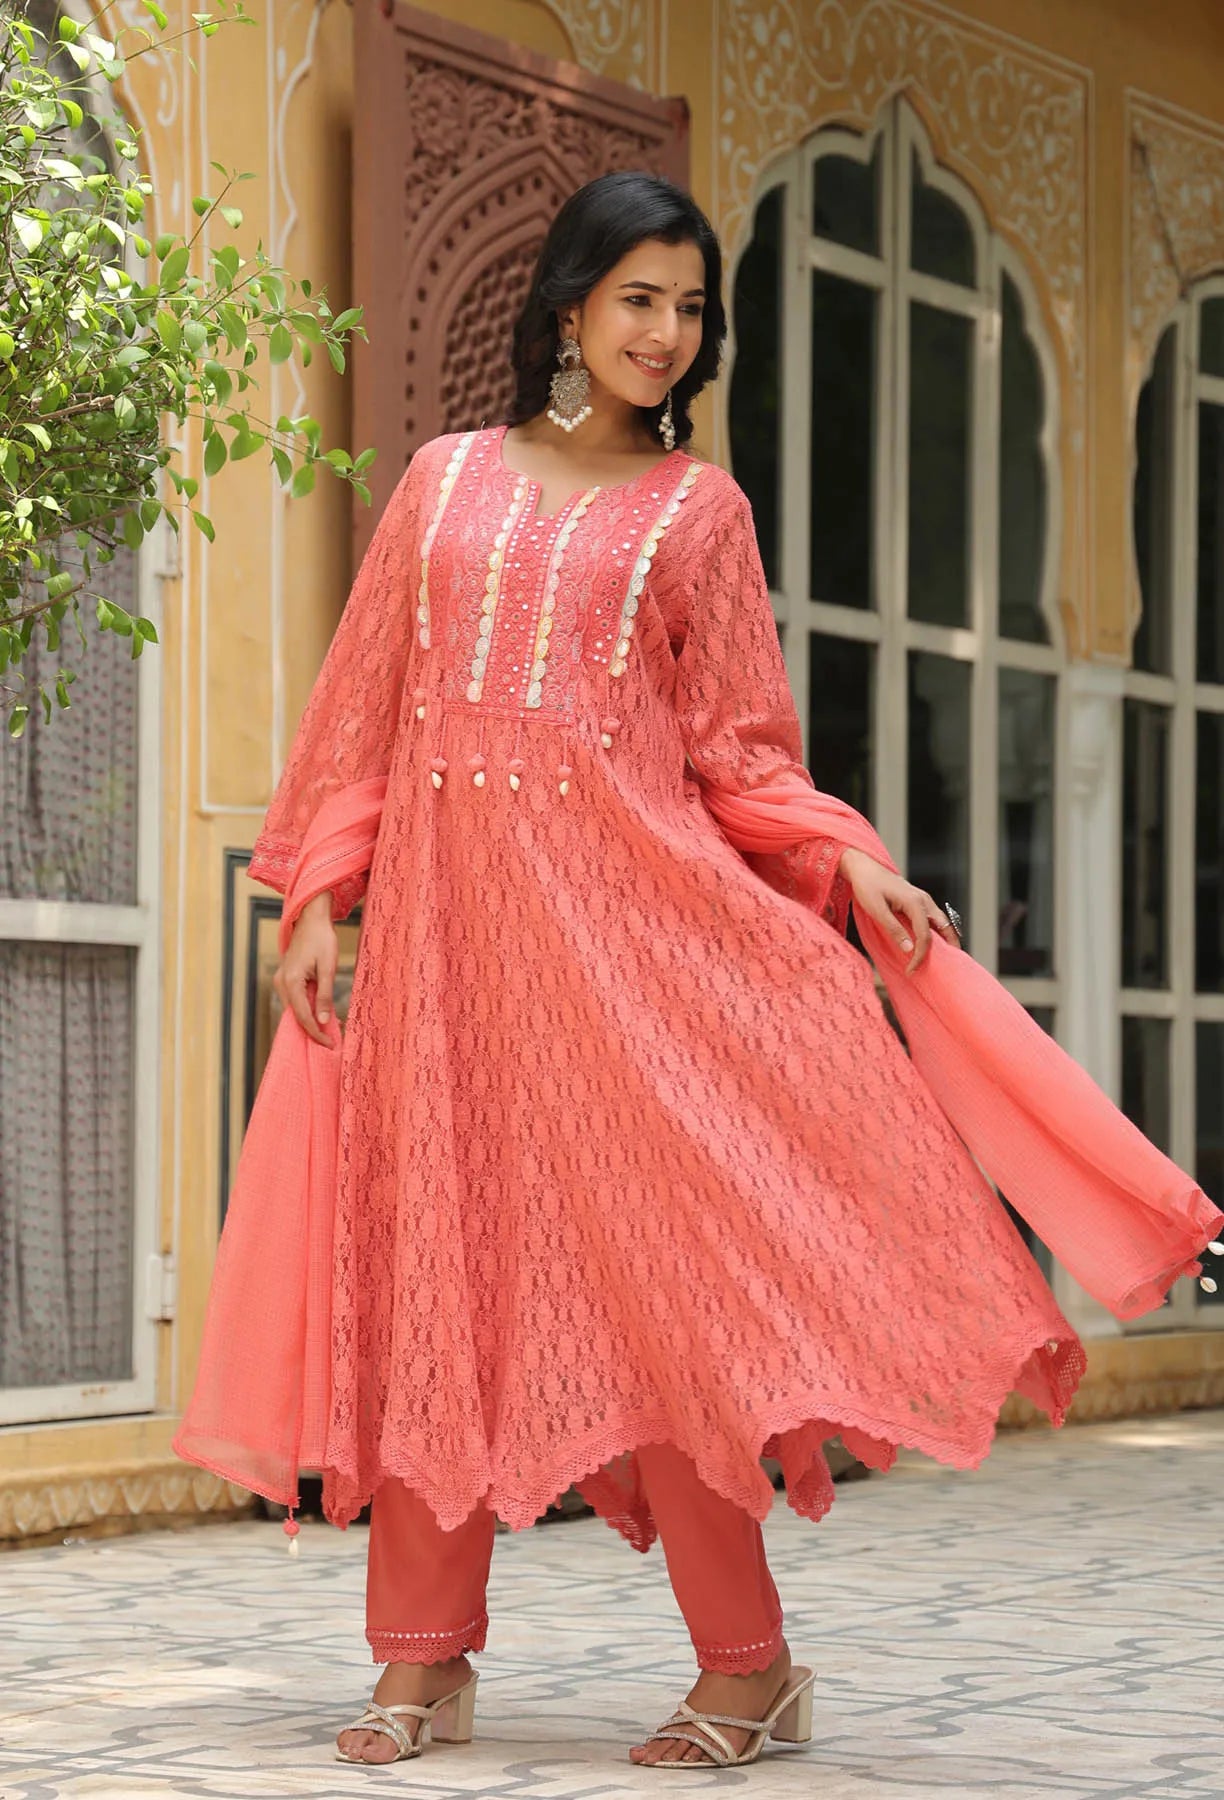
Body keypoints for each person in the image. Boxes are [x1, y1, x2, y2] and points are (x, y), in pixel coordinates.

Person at [173, 170, 1222, 1772]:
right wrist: (322, 887)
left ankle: (751, 1668)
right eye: (641, 299)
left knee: (662, 1311)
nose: (668, 334)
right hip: (451, 977)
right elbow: (371, 712)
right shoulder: (446, 485)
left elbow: (739, 753)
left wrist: (840, 856)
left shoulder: (697, 514)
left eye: (691, 307)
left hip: (636, 972)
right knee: (437, 1290)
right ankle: (424, 1664)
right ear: (571, 305)